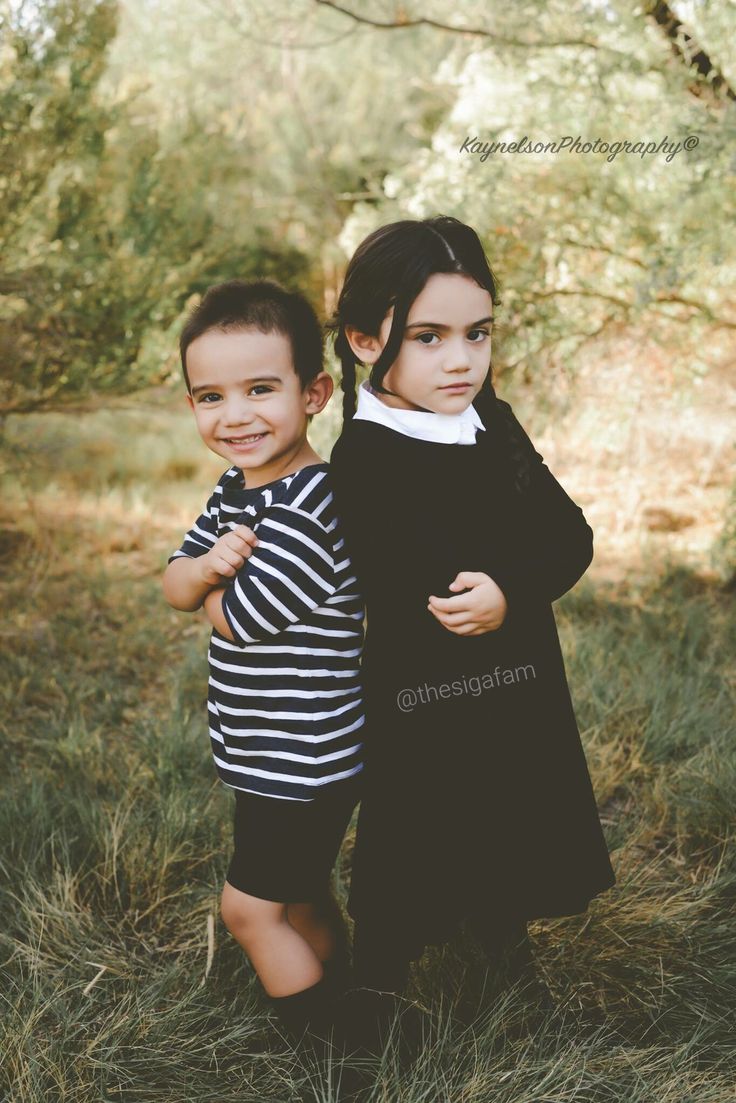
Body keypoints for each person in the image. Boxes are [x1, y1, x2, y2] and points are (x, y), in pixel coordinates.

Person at [326, 216, 617, 1029]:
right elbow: (406, 573)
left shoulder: (495, 423)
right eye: (427, 336)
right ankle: (379, 977)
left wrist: (511, 590)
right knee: (413, 833)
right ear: (362, 338)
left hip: (516, 677)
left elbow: (569, 535)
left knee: (509, 812)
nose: (460, 359)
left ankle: (505, 948)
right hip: (422, 694)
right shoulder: (367, 455)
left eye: (477, 332)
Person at [162, 278, 365, 1046]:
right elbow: (174, 583)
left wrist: (211, 580)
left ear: (313, 392)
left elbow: (235, 620)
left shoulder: (314, 505)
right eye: (210, 395)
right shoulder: (235, 488)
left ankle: (335, 1054)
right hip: (264, 750)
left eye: (259, 388)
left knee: (249, 908)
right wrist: (210, 568)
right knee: (301, 893)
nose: (235, 414)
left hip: (306, 759)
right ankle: (348, 992)